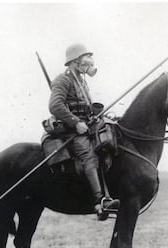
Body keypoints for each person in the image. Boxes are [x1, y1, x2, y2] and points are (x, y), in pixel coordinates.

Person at [49, 43, 120, 220]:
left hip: (86, 125)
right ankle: (99, 201)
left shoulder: (81, 80)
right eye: (85, 59)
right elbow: (55, 105)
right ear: (75, 61)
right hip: (71, 130)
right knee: (89, 155)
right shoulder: (63, 80)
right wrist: (75, 123)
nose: (88, 63)